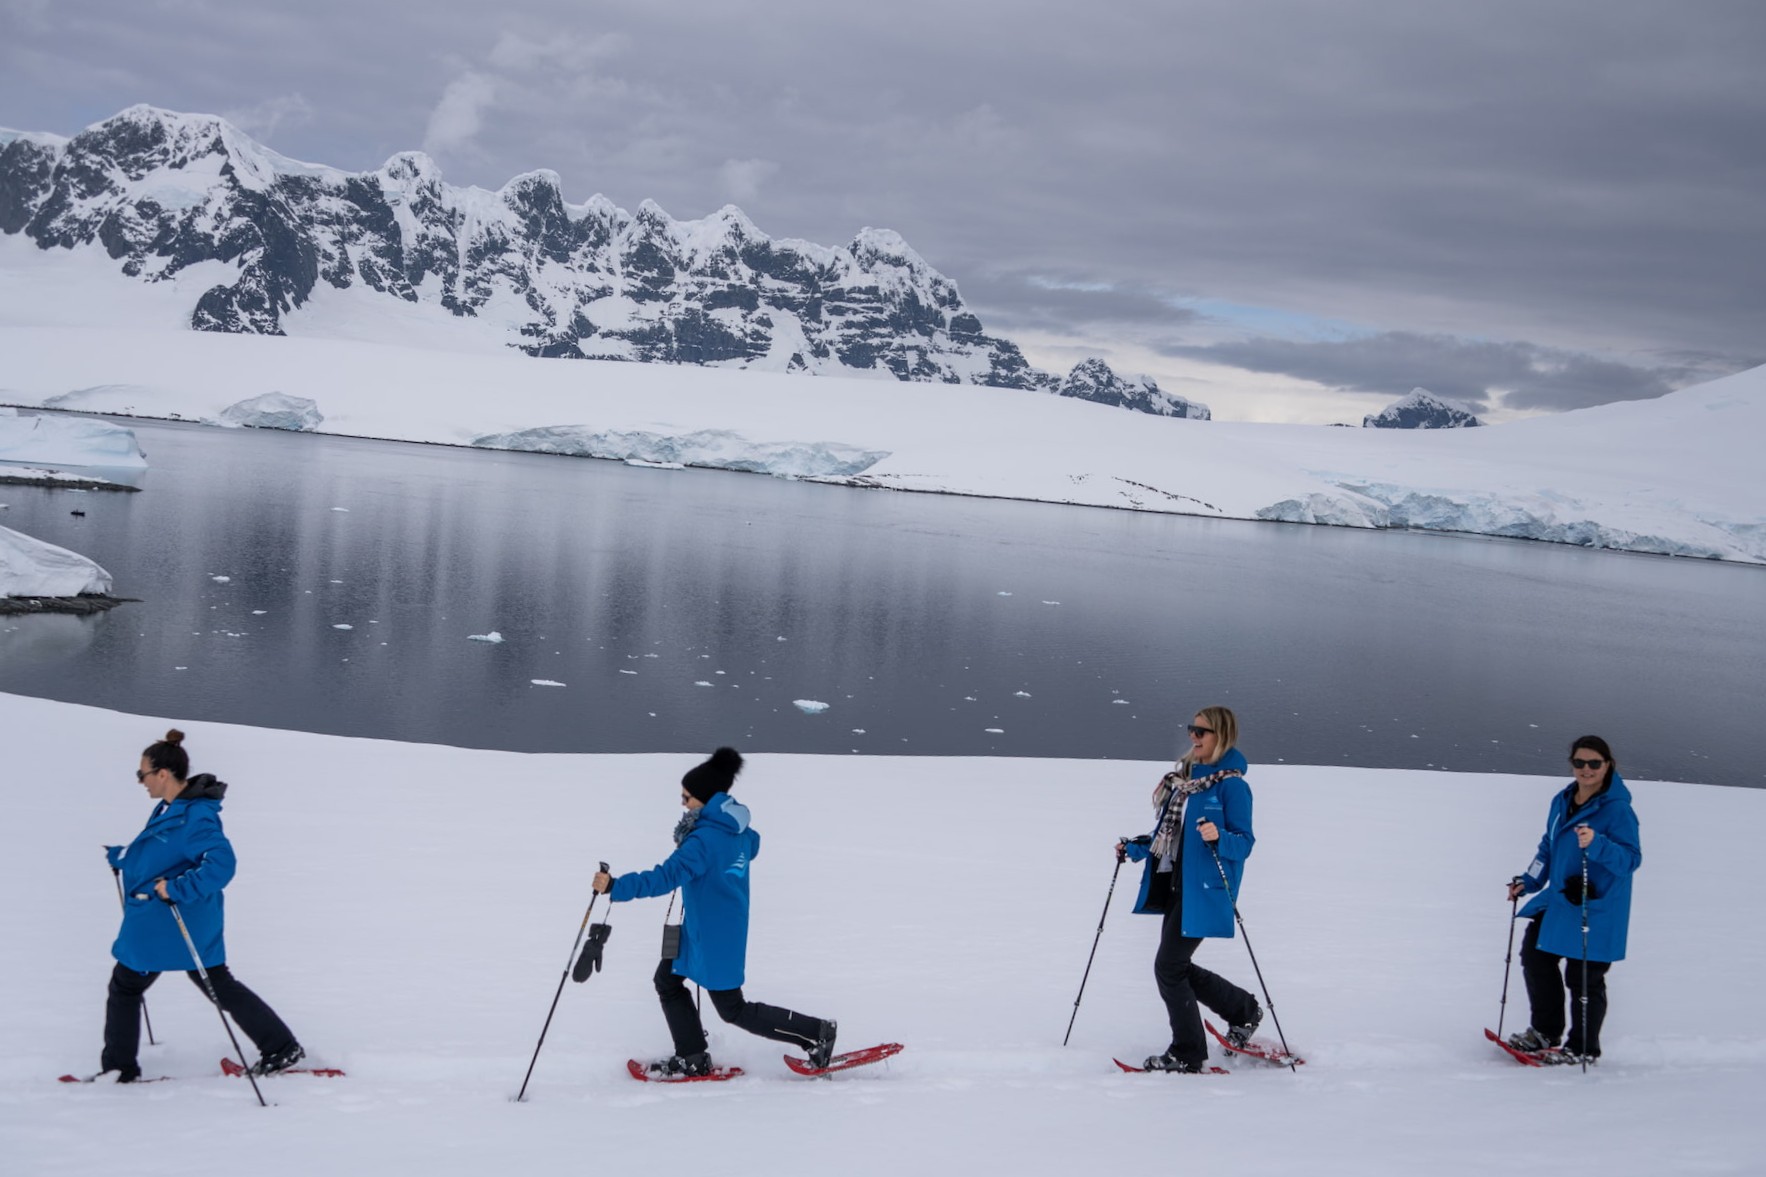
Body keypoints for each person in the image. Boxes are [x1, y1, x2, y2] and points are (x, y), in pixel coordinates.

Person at [593, 747, 836, 1076]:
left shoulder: (703, 842)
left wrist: (614, 886)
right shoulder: (737, 832)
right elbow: (753, 845)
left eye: (687, 798)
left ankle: (816, 1033)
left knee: (733, 1009)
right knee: (667, 980)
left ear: (706, 800)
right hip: (707, 930)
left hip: (714, 937)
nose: (682, 803)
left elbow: (664, 877)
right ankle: (692, 1055)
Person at [99, 729, 304, 1082]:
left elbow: (221, 863)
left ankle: (119, 1069)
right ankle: (281, 1046)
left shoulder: (196, 816)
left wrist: (177, 888)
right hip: (167, 922)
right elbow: (163, 852)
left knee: (126, 985)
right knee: (214, 983)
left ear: (162, 773)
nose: (140, 782)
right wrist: (126, 857)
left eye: (142, 774)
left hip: (173, 921)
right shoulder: (172, 808)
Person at [1117, 706, 1261, 1073]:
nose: (1194, 736)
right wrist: (1134, 849)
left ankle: (1188, 1051)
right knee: (1174, 966)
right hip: (1176, 885)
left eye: (1202, 731)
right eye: (1191, 729)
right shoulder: (1184, 781)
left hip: (1207, 889)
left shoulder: (1232, 787)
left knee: (1169, 967)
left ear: (1222, 736)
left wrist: (1220, 837)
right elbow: (1166, 836)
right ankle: (1242, 1010)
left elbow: (1244, 843)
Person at [1505, 735, 1641, 1064]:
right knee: (1536, 958)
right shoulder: (1562, 799)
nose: (1586, 769)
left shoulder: (1617, 809)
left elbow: (1630, 860)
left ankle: (1582, 1048)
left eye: (1594, 763)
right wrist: (1529, 880)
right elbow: (1548, 846)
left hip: (1596, 908)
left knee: (1583, 978)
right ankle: (1545, 1032)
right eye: (1579, 763)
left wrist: (1597, 843)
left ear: (1608, 765)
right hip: (1559, 900)